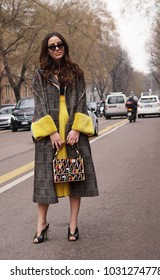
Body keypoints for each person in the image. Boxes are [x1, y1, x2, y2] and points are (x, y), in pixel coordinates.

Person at [31, 32, 99, 244]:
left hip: (71, 129)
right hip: (49, 130)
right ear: (47, 50)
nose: (57, 48)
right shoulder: (40, 73)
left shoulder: (76, 71)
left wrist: (77, 129)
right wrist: (51, 131)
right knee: (45, 179)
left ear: (65, 46)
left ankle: (73, 224)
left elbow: (81, 100)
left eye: (60, 44)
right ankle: (41, 224)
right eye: (52, 46)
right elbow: (39, 102)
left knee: (74, 177)